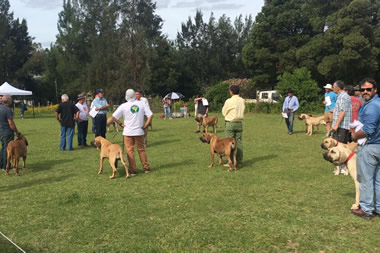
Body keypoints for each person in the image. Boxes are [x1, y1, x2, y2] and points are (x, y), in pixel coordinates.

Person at [351, 78, 380, 219]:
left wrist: (355, 135)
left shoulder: (373, 106)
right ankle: (378, 208)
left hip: (370, 147)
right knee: (378, 180)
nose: (365, 92)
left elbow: (369, 129)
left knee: (366, 179)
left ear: (375, 90)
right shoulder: (377, 103)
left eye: (369, 89)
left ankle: (367, 209)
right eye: (363, 90)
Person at [112, 89, 153, 176]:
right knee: (141, 150)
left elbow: (113, 116)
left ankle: (133, 170)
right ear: (135, 95)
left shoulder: (123, 106)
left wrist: (121, 124)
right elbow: (150, 115)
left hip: (128, 132)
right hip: (139, 131)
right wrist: (145, 125)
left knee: (130, 151)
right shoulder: (142, 104)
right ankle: (146, 168)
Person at [222, 85, 245, 167]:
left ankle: (230, 161)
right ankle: (239, 162)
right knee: (238, 143)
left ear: (231, 92)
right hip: (239, 123)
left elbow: (224, 112)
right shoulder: (242, 100)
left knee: (229, 143)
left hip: (230, 123)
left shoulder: (229, 101)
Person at [0, 95, 20, 170]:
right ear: (8, 101)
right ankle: (5, 166)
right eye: (11, 99)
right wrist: (17, 132)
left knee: (3, 147)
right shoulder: (8, 110)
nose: (12, 101)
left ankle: (1, 164)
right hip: (7, 132)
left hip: (1, 131)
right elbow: (11, 123)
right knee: (7, 148)